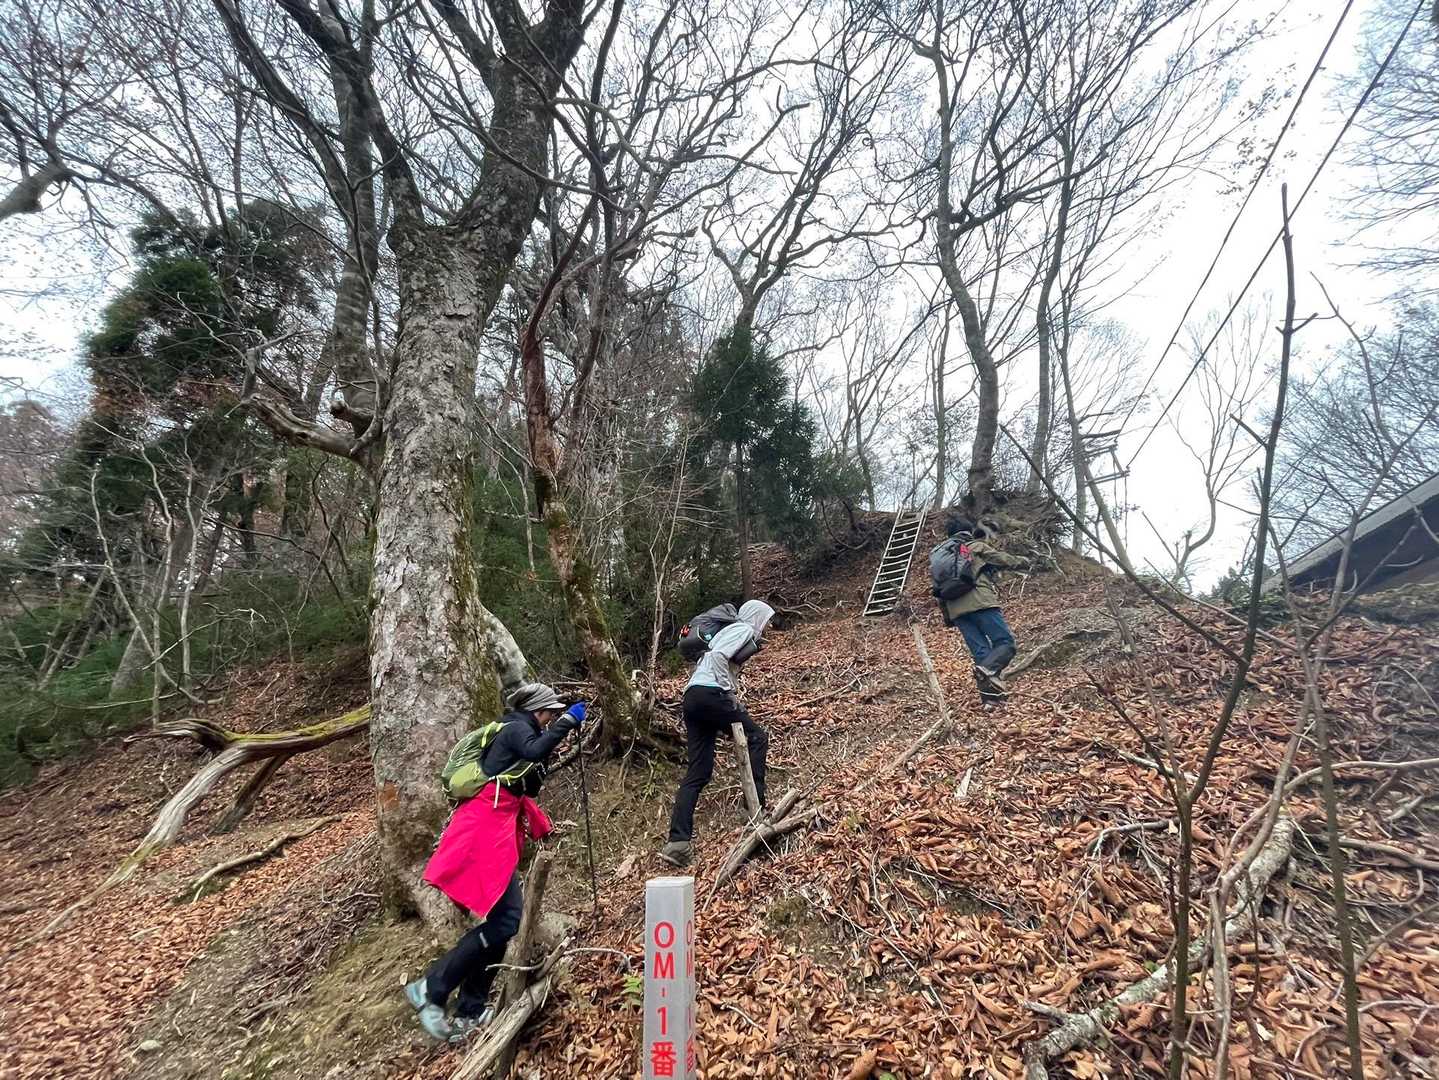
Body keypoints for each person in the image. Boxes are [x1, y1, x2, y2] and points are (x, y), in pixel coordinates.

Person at [405, 682, 584, 1042]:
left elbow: (527, 785)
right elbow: (534, 752)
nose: (551, 718)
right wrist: (568, 722)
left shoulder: (523, 732)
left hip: (493, 830)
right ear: (537, 710)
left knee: (503, 921)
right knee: (506, 920)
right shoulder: (515, 728)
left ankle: (470, 1009)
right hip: (482, 832)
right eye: (550, 712)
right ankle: (431, 988)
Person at [659, 599, 774, 868]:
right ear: (757, 617)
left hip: (693, 697)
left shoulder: (727, 632)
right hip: (711, 694)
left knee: (698, 772)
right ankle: (755, 808)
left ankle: (678, 843)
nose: (767, 626)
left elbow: (712, 661)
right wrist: (729, 693)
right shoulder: (743, 629)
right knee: (757, 738)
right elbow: (719, 657)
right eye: (767, 620)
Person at [930, 516, 1025, 699]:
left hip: (956, 610)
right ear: (969, 532)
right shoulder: (974, 546)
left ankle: (991, 700)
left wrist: (948, 616)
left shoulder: (939, 555)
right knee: (1005, 643)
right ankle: (987, 670)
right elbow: (1002, 559)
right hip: (980, 602)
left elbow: (938, 587)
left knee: (981, 652)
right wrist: (1025, 560)